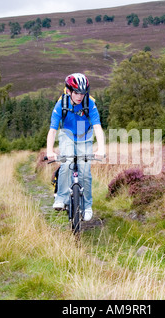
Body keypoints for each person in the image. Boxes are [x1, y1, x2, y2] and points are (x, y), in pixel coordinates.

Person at [46, 73, 106, 221]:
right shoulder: (61, 104)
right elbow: (53, 129)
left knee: (85, 171)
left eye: (83, 92)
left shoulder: (89, 103)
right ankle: (61, 199)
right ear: (69, 91)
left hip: (85, 136)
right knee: (66, 163)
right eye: (76, 92)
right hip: (66, 135)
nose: (80, 96)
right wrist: (49, 151)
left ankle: (87, 206)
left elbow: (97, 126)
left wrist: (101, 148)